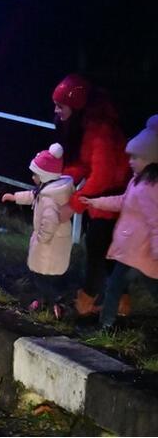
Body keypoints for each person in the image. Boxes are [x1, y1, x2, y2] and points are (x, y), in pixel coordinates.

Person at [53, 74, 132, 316]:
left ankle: (88, 301)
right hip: (103, 201)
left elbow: (103, 175)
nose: (56, 111)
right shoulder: (90, 128)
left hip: (110, 202)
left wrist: (73, 204)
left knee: (97, 251)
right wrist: (62, 179)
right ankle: (119, 302)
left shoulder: (100, 131)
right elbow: (87, 165)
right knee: (106, 253)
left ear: (75, 106)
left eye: (60, 106)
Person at [80, 116, 158, 330]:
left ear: (151, 160)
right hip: (130, 251)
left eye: (136, 157)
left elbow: (156, 221)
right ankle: (106, 324)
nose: (130, 161)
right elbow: (122, 201)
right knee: (115, 286)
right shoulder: (137, 181)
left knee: (130, 286)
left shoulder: (148, 189)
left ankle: (107, 323)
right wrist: (96, 202)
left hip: (141, 253)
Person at [1, 143, 75, 317]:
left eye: (35, 174)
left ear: (44, 176)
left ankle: (54, 303)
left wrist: (41, 239)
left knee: (41, 275)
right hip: (56, 241)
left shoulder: (49, 199)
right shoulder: (49, 190)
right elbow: (33, 195)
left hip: (49, 243)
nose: (33, 177)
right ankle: (46, 301)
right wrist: (15, 197)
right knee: (48, 274)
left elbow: (49, 222)